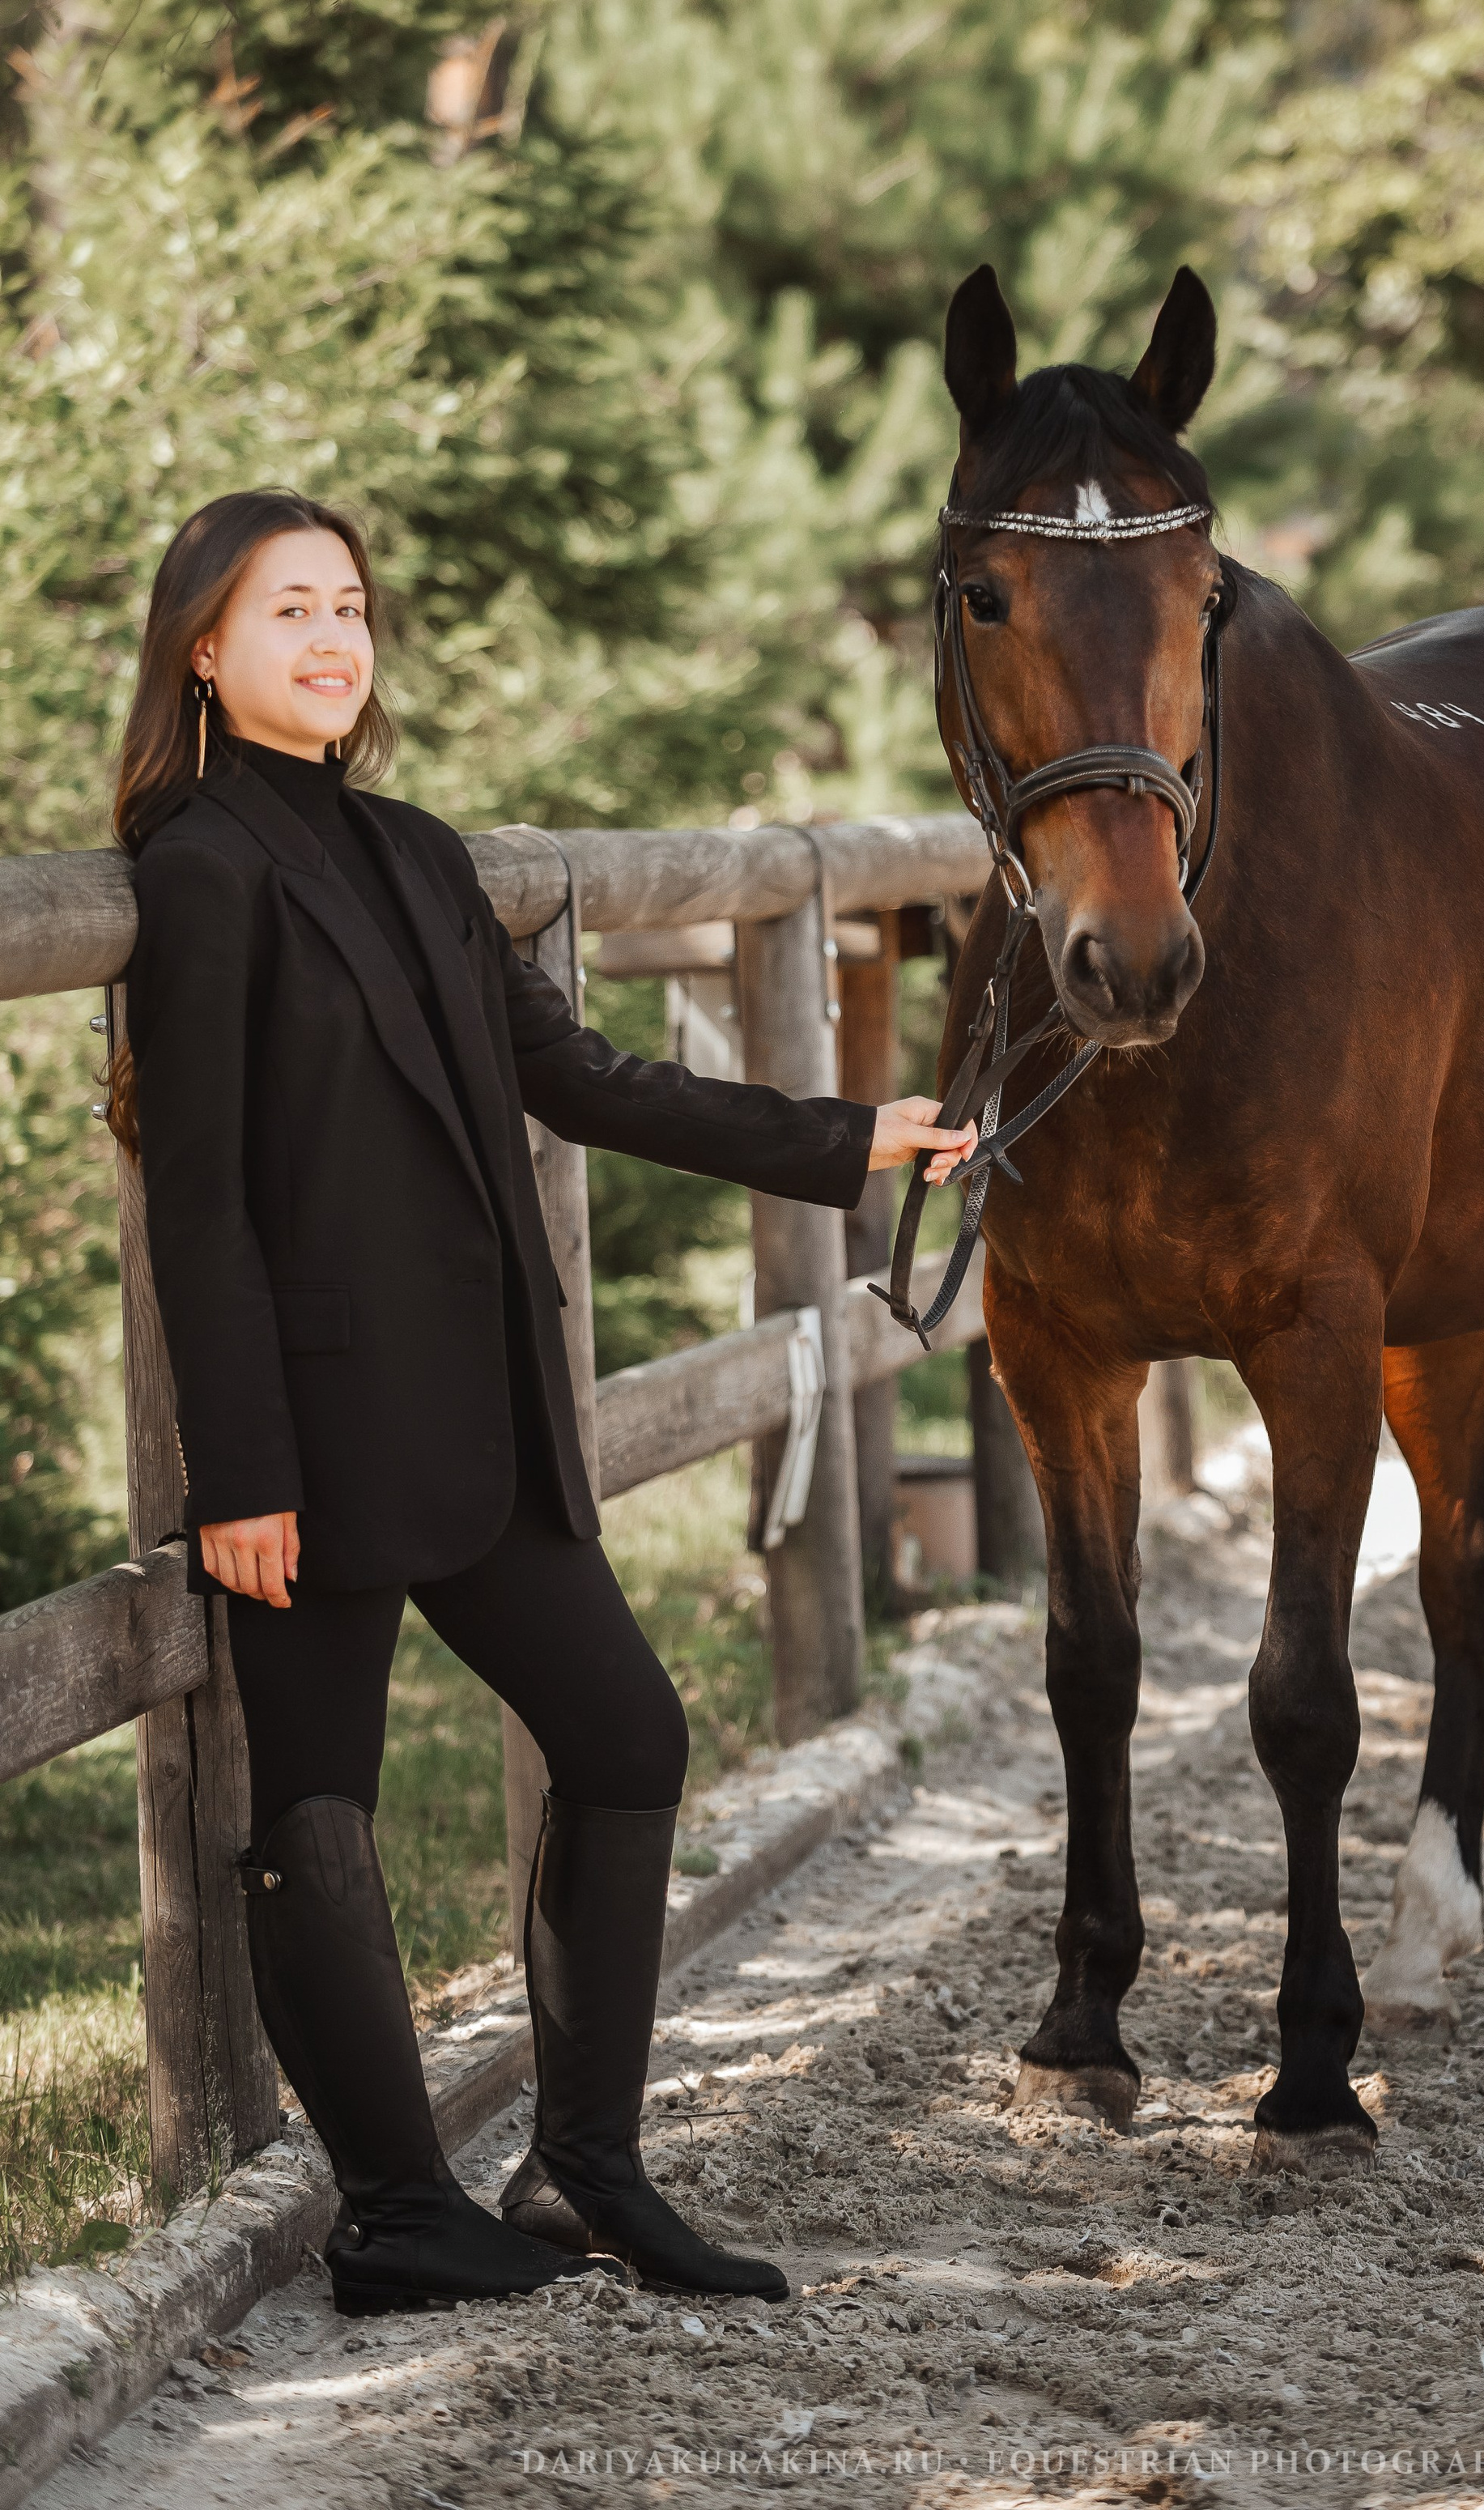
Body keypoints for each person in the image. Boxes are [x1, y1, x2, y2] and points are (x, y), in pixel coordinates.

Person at [109, 489, 976, 2320]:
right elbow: (198, 1200)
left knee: (628, 1737)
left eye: (349, 605)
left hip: (483, 1415)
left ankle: (583, 2170)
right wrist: (237, 1468)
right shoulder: (197, 868)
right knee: (319, 1815)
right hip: (313, 1439)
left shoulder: (422, 853)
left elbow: (577, 1077)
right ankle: (397, 2212)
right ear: (205, 645)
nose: (333, 639)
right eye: (288, 612)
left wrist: (844, 1138)